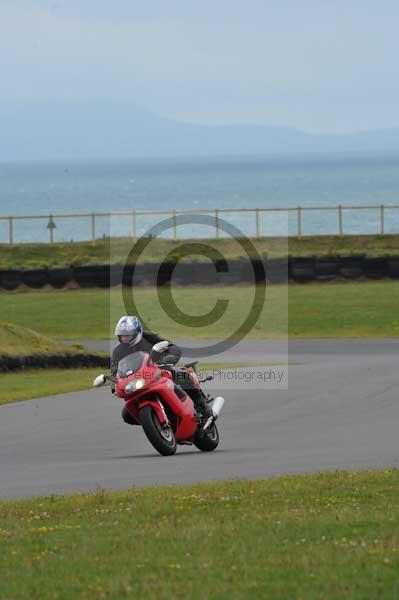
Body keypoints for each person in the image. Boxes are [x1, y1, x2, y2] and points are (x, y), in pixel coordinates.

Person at [111, 315, 213, 423]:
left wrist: (168, 359)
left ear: (137, 332)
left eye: (128, 335)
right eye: (122, 336)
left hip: (159, 370)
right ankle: (154, 422)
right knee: (126, 415)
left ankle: (201, 405)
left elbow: (172, 347)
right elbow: (114, 370)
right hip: (138, 380)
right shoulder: (117, 351)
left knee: (182, 375)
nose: (124, 339)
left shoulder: (148, 337)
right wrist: (114, 386)